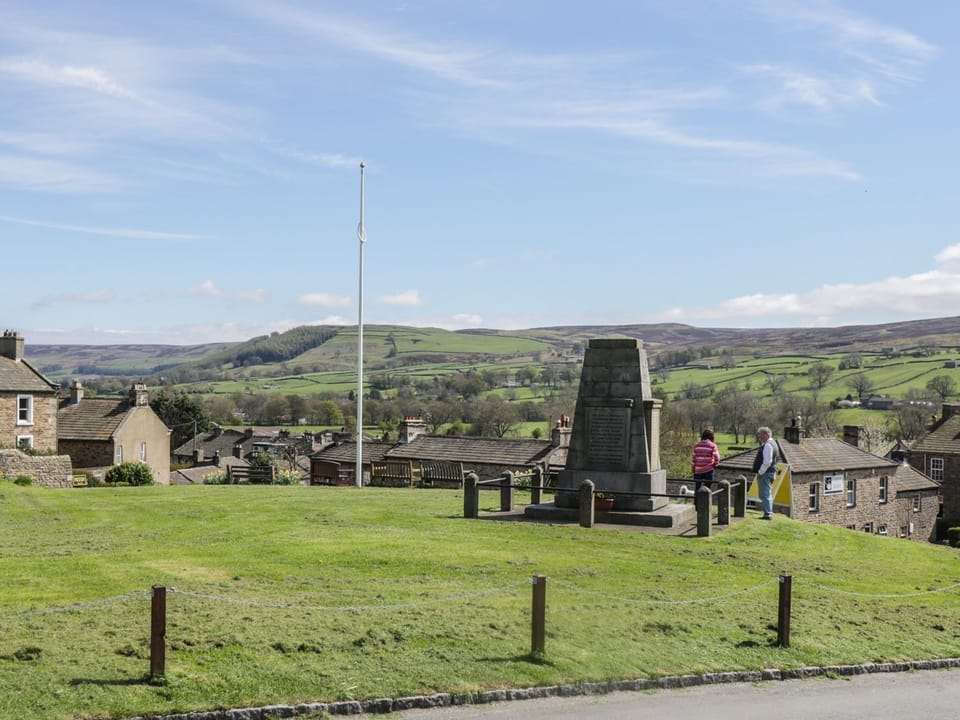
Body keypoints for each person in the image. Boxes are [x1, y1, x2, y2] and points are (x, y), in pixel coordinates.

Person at [752, 426, 781, 520]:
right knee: (766, 494)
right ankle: (768, 513)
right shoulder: (774, 443)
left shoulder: (768, 445)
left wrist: (760, 472)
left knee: (765, 494)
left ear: (767, 434)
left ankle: (768, 514)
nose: (760, 437)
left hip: (766, 473)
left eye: (761, 435)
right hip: (771, 472)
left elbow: (767, 461)